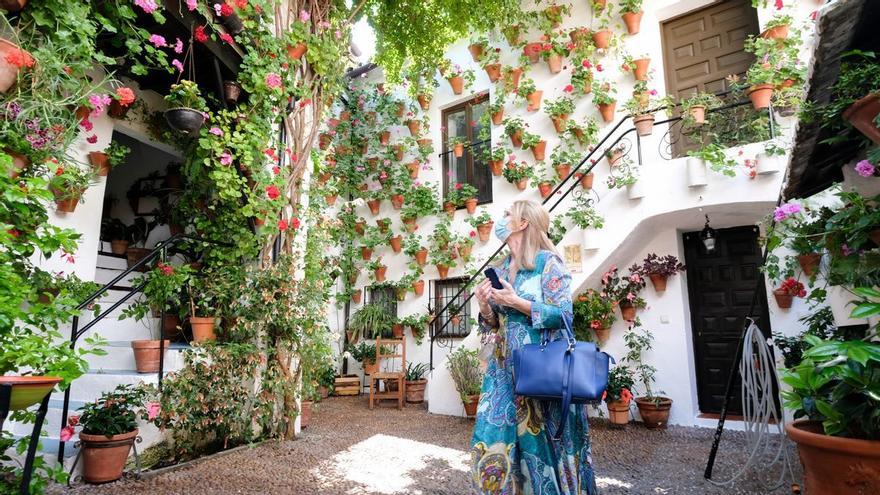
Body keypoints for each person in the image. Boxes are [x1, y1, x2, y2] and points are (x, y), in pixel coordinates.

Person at [470, 200, 597, 494]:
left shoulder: (548, 263)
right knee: (491, 436)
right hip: (503, 371)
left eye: (506, 214)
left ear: (523, 223)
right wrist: (484, 306)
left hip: (542, 368)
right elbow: (491, 325)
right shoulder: (500, 269)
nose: (500, 220)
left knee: (542, 446)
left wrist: (517, 302)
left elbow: (564, 313)